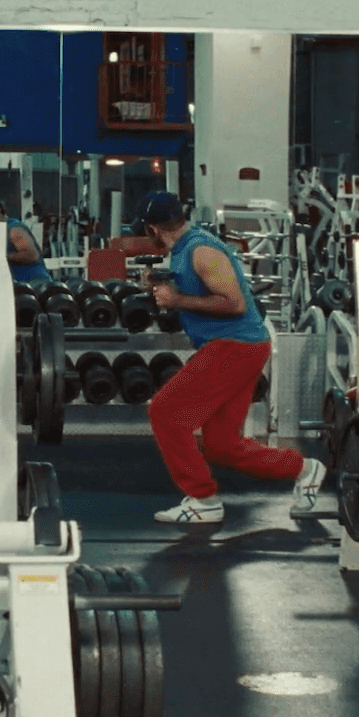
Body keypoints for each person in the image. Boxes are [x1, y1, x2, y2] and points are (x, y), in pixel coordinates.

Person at [119, 192, 325, 525]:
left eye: (146, 230)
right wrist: (160, 292)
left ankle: (203, 500)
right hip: (236, 346)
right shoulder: (183, 250)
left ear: (155, 229)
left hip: (234, 345)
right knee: (223, 447)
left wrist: (178, 299)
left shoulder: (202, 251)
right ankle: (304, 469)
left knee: (166, 411)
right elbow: (198, 295)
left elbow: (235, 304)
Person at [0, 198, 51, 282]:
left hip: (37, 283)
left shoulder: (14, 229)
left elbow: (32, 255)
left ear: (1, 212)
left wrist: (3, 257)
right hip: (21, 284)